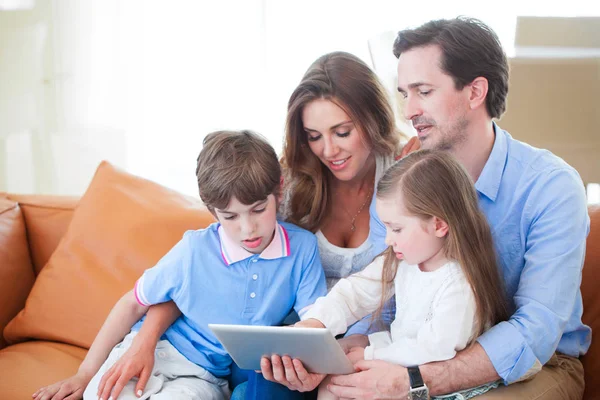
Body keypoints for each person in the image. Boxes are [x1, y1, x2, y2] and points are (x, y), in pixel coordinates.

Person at [262, 17, 590, 399]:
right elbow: (381, 286)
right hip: (418, 353)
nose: (408, 111)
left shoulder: (550, 187)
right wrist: (340, 348)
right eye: (405, 93)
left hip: (535, 366)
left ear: (475, 92)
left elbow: (536, 331)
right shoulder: (407, 177)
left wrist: (414, 380)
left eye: (423, 91)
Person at [31, 130, 327, 400]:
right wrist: (85, 373)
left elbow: (314, 323)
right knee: (102, 393)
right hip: (154, 349)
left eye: (258, 210)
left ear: (279, 189)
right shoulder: (194, 249)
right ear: (212, 211)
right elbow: (132, 304)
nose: (248, 229)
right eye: (230, 216)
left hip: (204, 376)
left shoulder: (301, 250)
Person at [298, 149, 508, 400]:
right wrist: (314, 323)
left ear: (438, 225)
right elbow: (355, 292)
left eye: (396, 229)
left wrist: (370, 354)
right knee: (333, 383)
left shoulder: (459, 282)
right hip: (398, 354)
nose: (388, 239)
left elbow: (433, 348)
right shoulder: (404, 260)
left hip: (429, 371)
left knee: (352, 381)